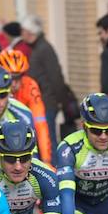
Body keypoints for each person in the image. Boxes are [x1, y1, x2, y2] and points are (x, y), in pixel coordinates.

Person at [0, 48, 52, 163]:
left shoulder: (30, 86)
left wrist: (46, 160)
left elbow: (40, 123)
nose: (14, 83)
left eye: (18, 77)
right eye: (10, 78)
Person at [20, 15, 67, 150]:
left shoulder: (44, 49)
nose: (21, 34)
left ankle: (54, 163)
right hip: (41, 101)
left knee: (48, 140)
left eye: (23, 30)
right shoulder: (37, 49)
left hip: (47, 102)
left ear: (30, 32)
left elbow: (55, 76)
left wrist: (59, 101)